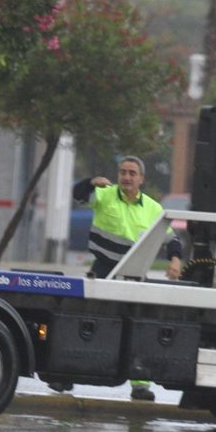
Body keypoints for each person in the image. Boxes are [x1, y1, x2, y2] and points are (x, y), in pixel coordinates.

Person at [72, 156, 184, 402]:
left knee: (139, 326)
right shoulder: (104, 194)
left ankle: (140, 385)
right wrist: (91, 182)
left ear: (141, 179)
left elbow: (172, 239)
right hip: (103, 270)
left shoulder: (154, 209)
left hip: (135, 274)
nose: (126, 177)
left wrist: (175, 261)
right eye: (123, 172)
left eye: (132, 173)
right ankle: (67, 373)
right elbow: (78, 195)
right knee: (86, 323)